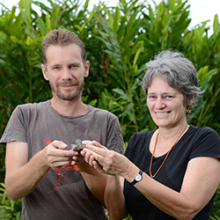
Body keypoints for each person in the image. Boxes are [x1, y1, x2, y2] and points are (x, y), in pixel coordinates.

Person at [0, 28, 124, 220]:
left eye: (73, 66)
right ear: (45, 72)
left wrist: (86, 166)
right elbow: (13, 190)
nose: (66, 76)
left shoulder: (107, 122)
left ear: (86, 68)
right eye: (57, 67)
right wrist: (43, 160)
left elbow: (117, 210)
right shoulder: (24, 115)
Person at [82, 50, 220, 220]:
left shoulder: (205, 140)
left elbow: (187, 210)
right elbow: (117, 214)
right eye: (152, 96)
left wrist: (128, 170)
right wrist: (112, 172)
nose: (159, 105)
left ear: (189, 98)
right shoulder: (137, 141)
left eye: (168, 96)